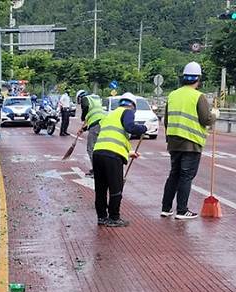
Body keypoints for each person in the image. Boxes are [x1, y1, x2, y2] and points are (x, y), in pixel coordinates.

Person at [161, 61, 218, 219]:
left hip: (173, 142)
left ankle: (166, 208)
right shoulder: (198, 96)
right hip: (191, 143)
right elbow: (206, 119)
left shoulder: (172, 95)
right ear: (198, 79)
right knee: (186, 176)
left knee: (174, 174)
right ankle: (181, 210)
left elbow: (166, 120)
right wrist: (215, 115)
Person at [92, 92, 147, 227]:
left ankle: (102, 217)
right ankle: (114, 218)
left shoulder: (110, 114)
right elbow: (130, 127)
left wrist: (128, 152)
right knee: (116, 187)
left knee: (101, 188)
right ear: (133, 105)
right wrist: (143, 128)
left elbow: (111, 138)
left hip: (98, 154)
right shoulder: (127, 112)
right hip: (112, 157)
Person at [77, 89, 106, 177]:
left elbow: (85, 108)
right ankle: (102, 168)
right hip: (103, 122)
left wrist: (83, 116)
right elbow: (93, 117)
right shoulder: (95, 98)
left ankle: (96, 170)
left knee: (91, 148)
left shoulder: (85, 99)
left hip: (95, 125)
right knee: (100, 148)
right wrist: (83, 129)